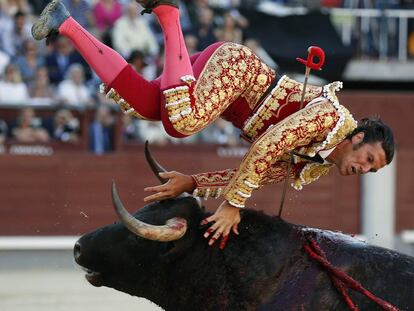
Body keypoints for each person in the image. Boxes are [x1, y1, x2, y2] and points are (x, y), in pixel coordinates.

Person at [32, 0, 395, 249]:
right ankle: (170, 13)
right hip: (235, 70)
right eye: (370, 160)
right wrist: (232, 205)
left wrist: (192, 183)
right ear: (358, 137)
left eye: (372, 170)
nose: (365, 170)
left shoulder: (318, 164)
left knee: (145, 103)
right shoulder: (329, 117)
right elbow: (267, 145)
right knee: (182, 122)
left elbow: (254, 173)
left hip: (224, 92)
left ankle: (64, 21)